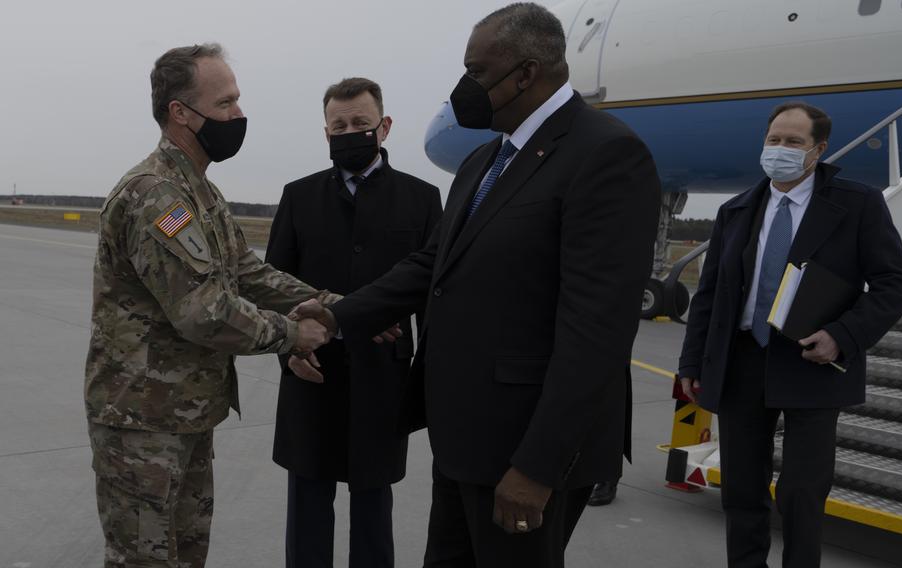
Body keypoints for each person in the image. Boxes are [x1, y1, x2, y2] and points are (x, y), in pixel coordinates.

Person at [289, 4, 661, 566]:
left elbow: (597, 331)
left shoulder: (604, 154)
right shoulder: (485, 161)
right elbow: (429, 266)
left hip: (524, 451)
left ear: (525, 74)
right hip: (464, 441)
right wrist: (336, 317)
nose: (464, 87)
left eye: (476, 71)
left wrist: (538, 466)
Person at [84, 43, 336, 568]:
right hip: (143, 423)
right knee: (145, 561)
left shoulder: (201, 192)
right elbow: (203, 311)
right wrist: (293, 334)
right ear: (181, 112)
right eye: (224, 104)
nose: (238, 115)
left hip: (186, 416)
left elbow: (248, 272)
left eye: (237, 101)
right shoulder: (157, 195)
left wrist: (333, 305)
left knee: (188, 555)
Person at [677, 101, 902, 567]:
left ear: (818, 150)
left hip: (811, 362)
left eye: (793, 142)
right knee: (742, 488)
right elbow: (709, 295)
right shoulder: (737, 210)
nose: (780, 150)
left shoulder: (855, 203)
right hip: (742, 359)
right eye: (773, 140)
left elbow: (895, 281)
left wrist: (842, 335)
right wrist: (691, 363)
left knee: (803, 491)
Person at [266, 77, 442, 568]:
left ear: (384, 127)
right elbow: (269, 286)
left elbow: (433, 302)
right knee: (307, 507)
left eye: (360, 124)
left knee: (372, 508)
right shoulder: (298, 196)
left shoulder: (423, 199)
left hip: (382, 379)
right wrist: (289, 352)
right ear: (325, 133)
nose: (349, 132)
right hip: (311, 372)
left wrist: (429, 385)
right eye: (338, 125)